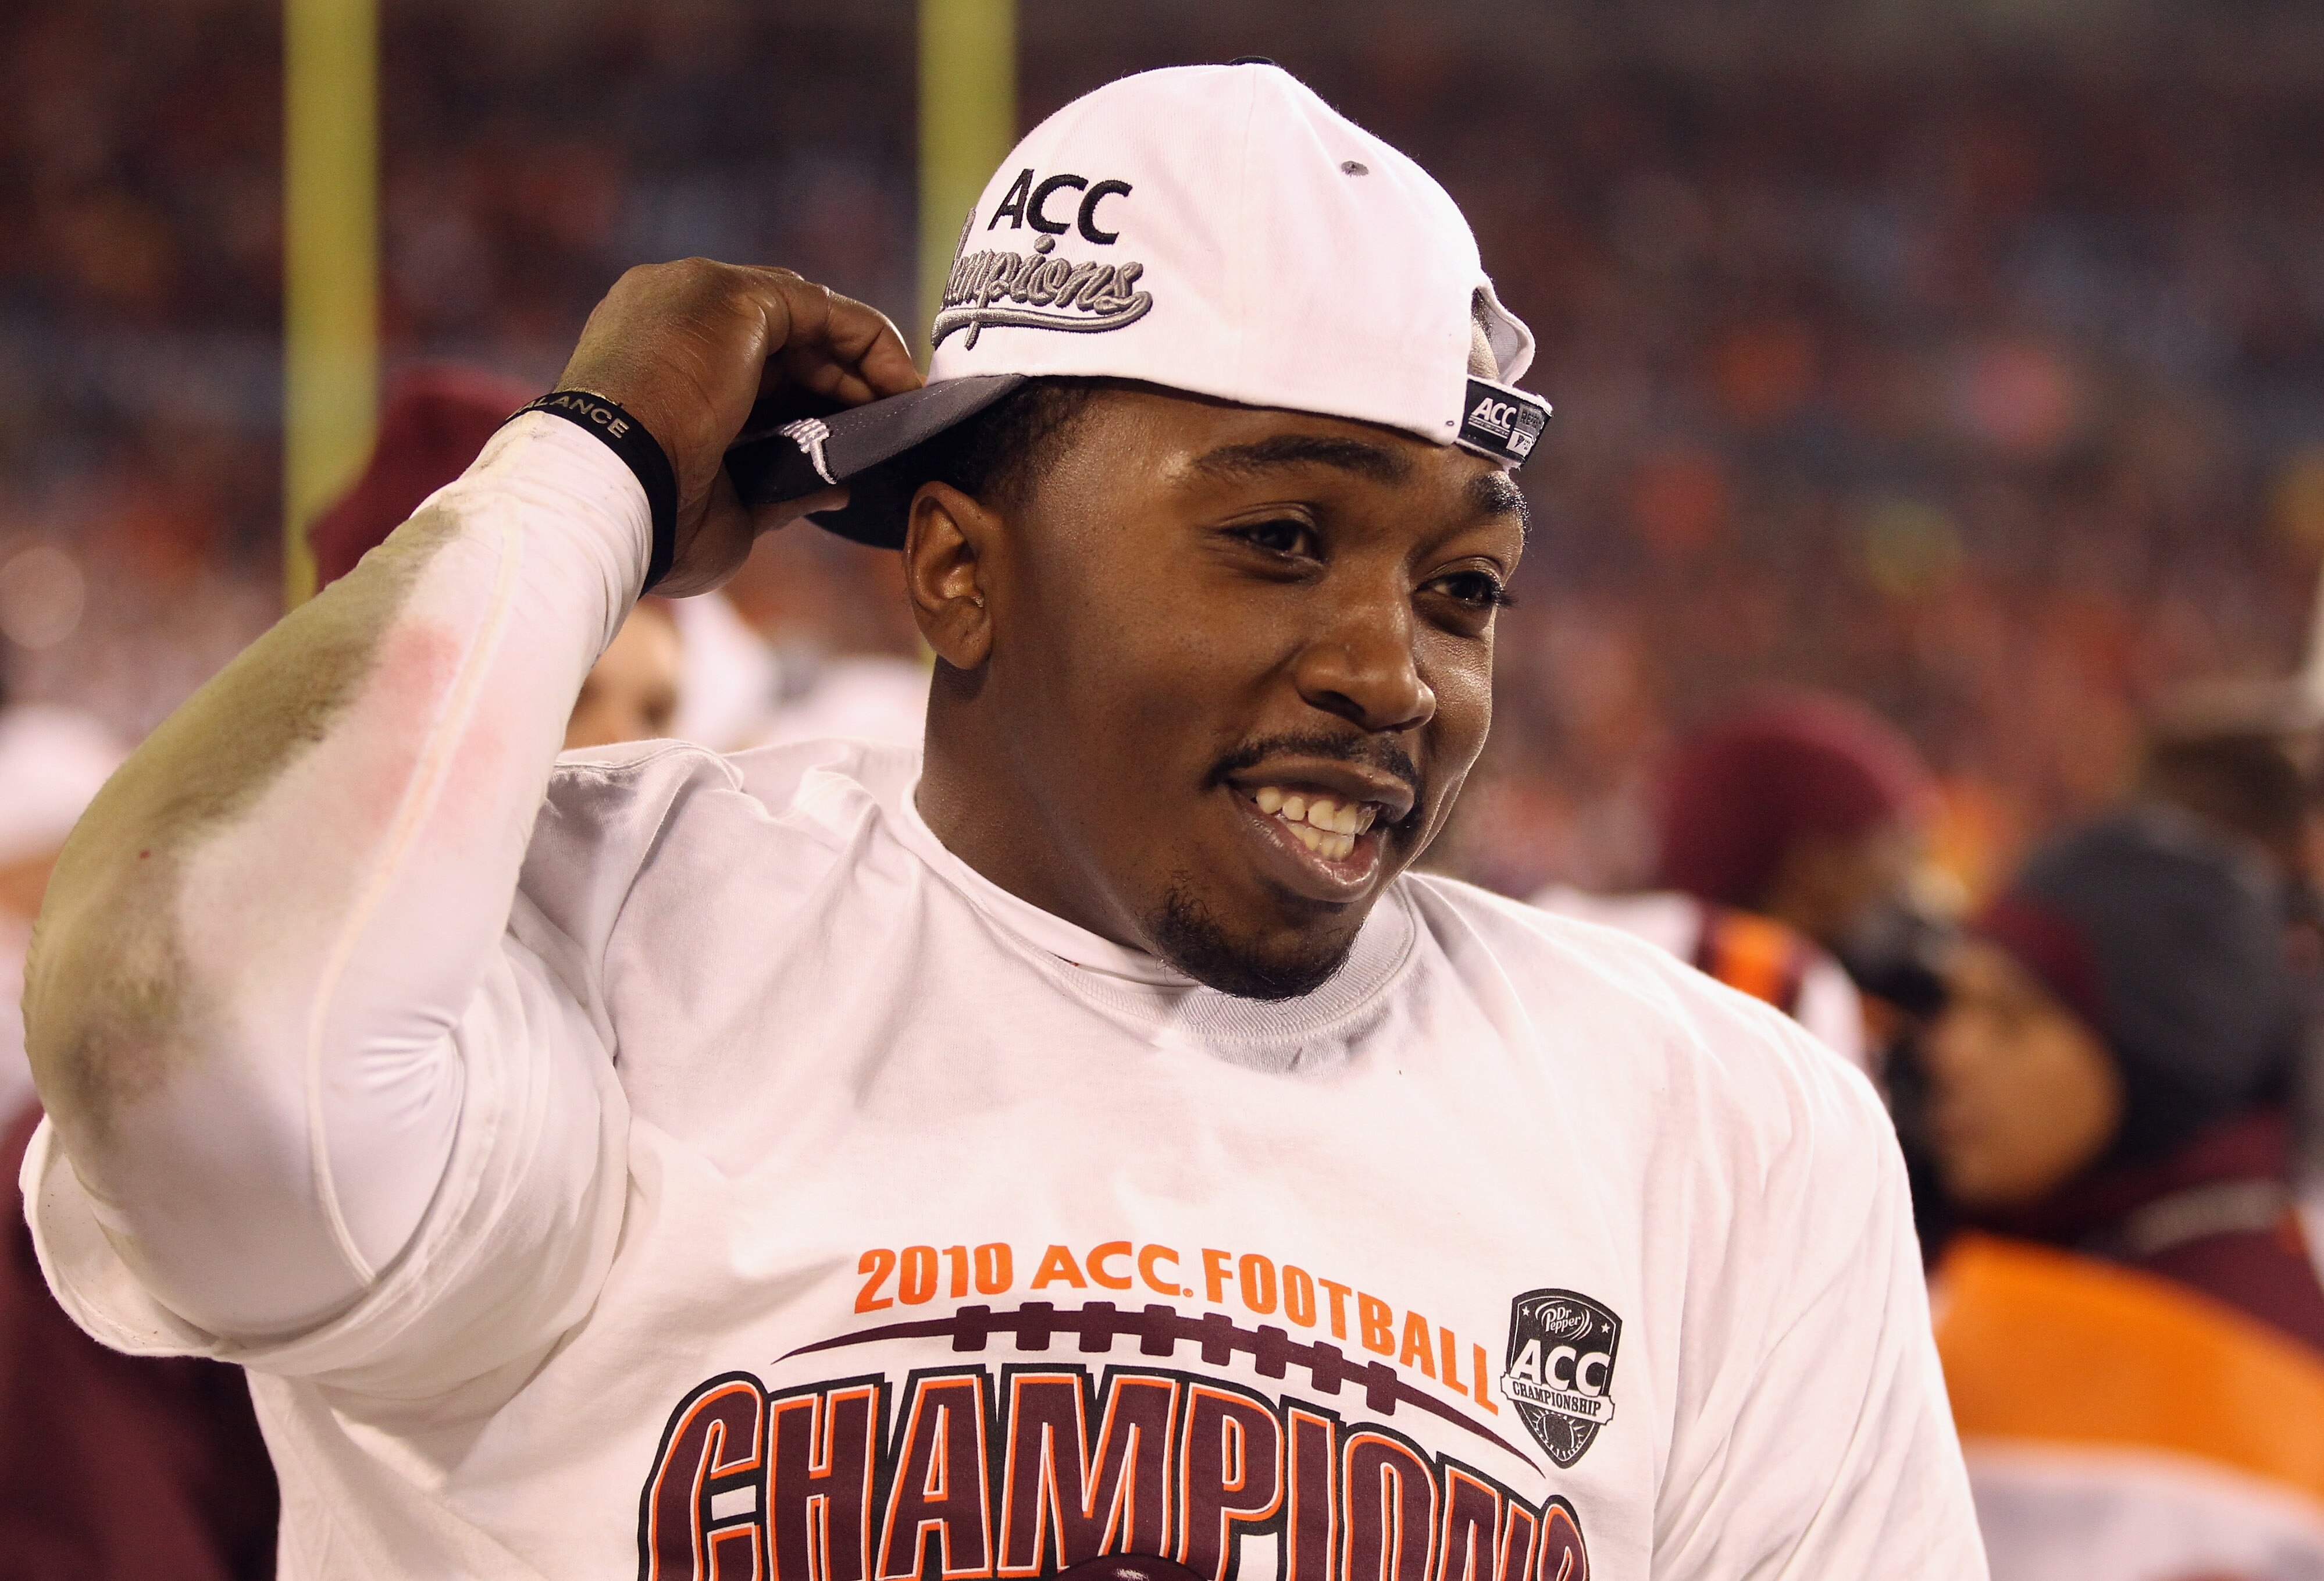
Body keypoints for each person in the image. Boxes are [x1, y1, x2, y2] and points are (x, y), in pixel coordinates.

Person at [22, 64, 1980, 1578]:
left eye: (1462, 587)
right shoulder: (599, 944)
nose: (1395, 673)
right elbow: (178, 1048)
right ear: (959, 569)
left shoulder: (1720, 1130)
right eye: (1277, 537)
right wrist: (591, 467)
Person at [1923, 807, 2324, 1577]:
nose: (1950, 1051)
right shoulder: (2249, 1253)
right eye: (1957, 1003)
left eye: (2009, 1020)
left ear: (2154, 1051)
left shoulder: (2225, 1340)